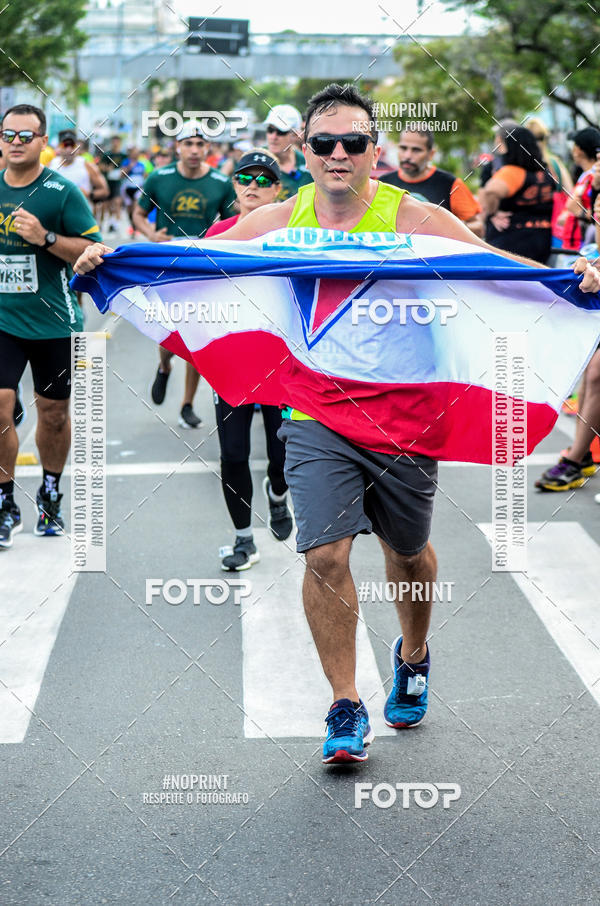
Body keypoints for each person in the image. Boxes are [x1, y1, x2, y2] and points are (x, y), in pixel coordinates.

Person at [73, 83, 600, 764]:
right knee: (324, 553)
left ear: (373, 151)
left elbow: (498, 272)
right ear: (309, 151)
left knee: (407, 553)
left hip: (405, 414)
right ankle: (345, 705)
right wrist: (106, 260)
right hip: (315, 408)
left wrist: (574, 282)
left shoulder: (413, 218)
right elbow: (200, 258)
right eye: (325, 143)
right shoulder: (283, 219)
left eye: (354, 142)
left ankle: (413, 654)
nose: (339, 154)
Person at [0, 104, 102, 549]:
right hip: (2, 320)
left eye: (27, 135)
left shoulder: (60, 191)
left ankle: (51, 491)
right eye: (9, 135)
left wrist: (45, 238)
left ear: (43, 142)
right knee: (0, 409)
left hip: (53, 321)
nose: (16, 143)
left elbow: (94, 250)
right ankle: (5, 501)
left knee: (54, 414)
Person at [205, 149, 293, 569]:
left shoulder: (295, 233)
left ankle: (278, 494)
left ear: (279, 189)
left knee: (283, 459)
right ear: (234, 185)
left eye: (263, 180)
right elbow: (184, 278)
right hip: (233, 365)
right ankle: (243, 539)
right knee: (234, 454)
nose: (252, 187)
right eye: (244, 179)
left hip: (283, 366)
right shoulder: (218, 233)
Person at [133, 121, 236, 429]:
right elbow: (137, 213)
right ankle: (164, 367)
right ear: (177, 147)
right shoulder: (160, 177)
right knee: (169, 332)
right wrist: (152, 233)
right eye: (188, 143)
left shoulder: (220, 182)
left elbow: (234, 223)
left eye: (200, 144)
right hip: (167, 263)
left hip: (203, 265)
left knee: (196, 335)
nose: (194, 150)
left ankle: (187, 404)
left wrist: (220, 245)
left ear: (208, 148)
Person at [379, 126, 483, 235]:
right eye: (403, 148)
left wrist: (445, 229)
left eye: (416, 150)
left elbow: (478, 227)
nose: (408, 155)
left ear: (431, 154)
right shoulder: (383, 183)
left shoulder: (450, 184)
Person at [479, 125, 555, 263]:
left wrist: (492, 212)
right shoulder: (545, 172)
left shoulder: (512, 172)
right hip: (542, 238)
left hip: (512, 241)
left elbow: (490, 191)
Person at [559, 127, 600, 251]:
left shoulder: (593, 176)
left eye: (574, 146)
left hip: (585, 245)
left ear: (578, 150)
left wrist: (579, 212)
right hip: (578, 243)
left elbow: (592, 212)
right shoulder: (586, 176)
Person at [264, 104, 313, 201]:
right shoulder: (254, 160)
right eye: (270, 130)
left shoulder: (309, 163)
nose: (273, 137)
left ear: (295, 135)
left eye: (281, 132)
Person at [49, 129, 108, 205]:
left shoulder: (87, 165)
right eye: (65, 145)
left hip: (79, 214)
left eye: (72, 145)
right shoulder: (51, 165)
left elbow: (104, 191)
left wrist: (88, 194)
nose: (69, 149)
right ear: (58, 147)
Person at [98, 135, 126, 232]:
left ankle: (116, 224)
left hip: (117, 181)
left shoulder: (123, 155)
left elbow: (127, 166)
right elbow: (100, 166)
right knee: (105, 204)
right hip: (107, 182)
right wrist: (107, 168)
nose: (115, 143)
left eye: (117, 141)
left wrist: (124, 171)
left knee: (117, 202)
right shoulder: (107, 154)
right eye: (114, 141)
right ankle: (101, 224)